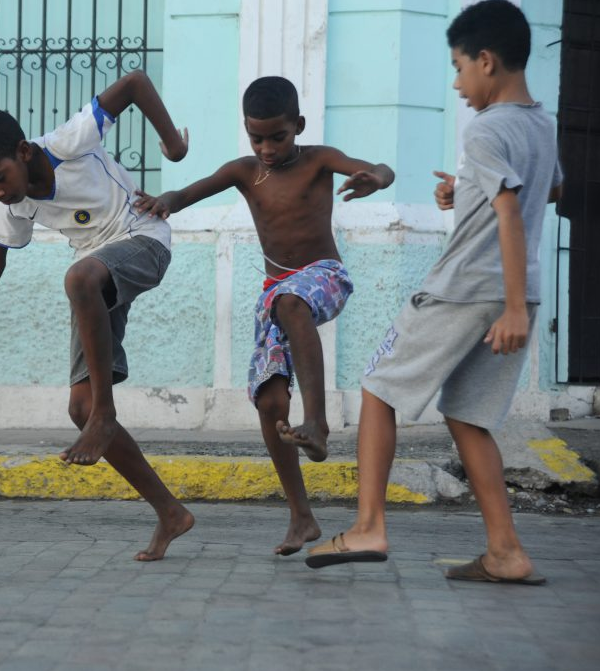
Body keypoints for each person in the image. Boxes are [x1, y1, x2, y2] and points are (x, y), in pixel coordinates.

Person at [306, 0, 562, 584]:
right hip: (516, 293)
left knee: (378, 388)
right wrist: (467, 189)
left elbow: (510, 215)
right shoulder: (540, 126)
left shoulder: (486, 127)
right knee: (468, 416)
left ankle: (369, 525)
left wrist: (515, 305)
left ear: (487, 62)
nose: (456, 81)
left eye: (459, 66)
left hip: (465, 287)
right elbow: (543, 191)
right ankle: (506, 552)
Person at [134, 77, 394, 555]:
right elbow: (188, 194)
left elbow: (380, 168)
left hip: (323, 275)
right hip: (275, 290)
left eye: (278, 136)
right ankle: (301, 518)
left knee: (292, 301)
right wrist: (164, 202)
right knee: (270, 402)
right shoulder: (243, 170)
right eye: (257, 138)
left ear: (298, 126)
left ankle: (316, 423)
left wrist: (376, 176)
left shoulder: (319, 159)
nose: (268, 148)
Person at [0, 71, 194, 561]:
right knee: (78, 409)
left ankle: (105, 415)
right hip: (99, 273)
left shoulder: (70, 141)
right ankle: (170, 511)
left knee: (78, 278)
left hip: (144, 239)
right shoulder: (11, 206)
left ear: (22, 151)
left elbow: (135, 83)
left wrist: (172, 145)